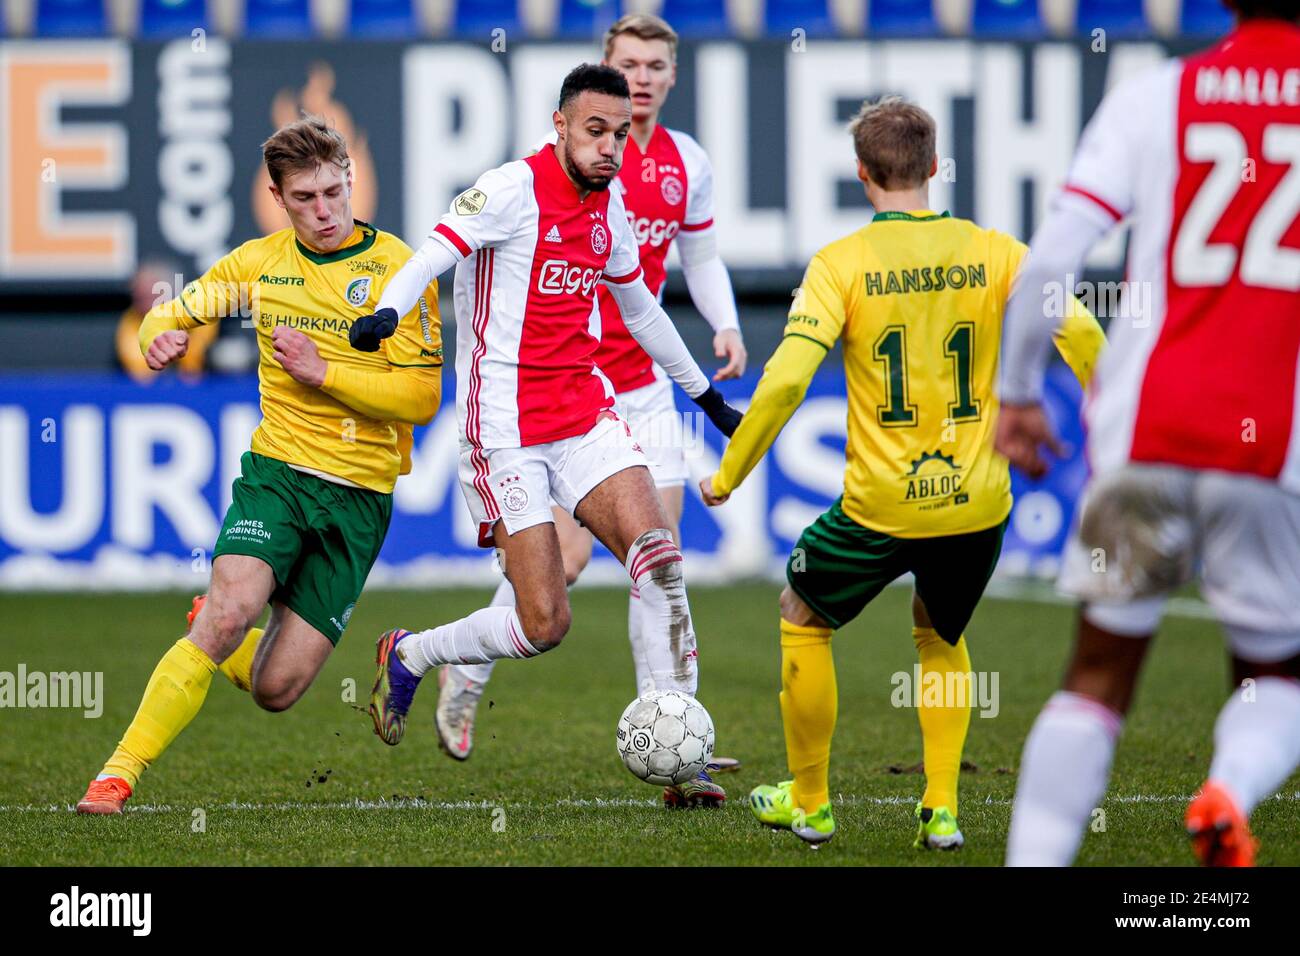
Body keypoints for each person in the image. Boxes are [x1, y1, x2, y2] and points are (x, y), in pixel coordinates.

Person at [699, 97, 1104, 845]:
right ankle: (942, 806)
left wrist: (729, 472)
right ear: (935, 167)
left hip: (880, 506)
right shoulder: (998, 251)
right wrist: (1116, 436)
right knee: (939, 633)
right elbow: (1081, 335)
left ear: (861, 174)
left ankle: (812, 801)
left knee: (801, 615)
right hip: (978, 502)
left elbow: (787, 380)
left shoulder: (841, 264)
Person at [356, 64, 743, 807]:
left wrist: (704, 396)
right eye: (594, 131)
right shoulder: (509, 189)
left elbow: (642, 312)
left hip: (583, 413)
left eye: (621, 134)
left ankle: (681, 755)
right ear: (560, 125)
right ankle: (412, 654)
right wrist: (385, 312)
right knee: (544, 622)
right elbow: (433, 253)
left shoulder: (612, 210)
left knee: (659, 555)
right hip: (502, 430)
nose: (610, 148)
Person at [999, 0, 1300, 867]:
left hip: (1145, 434)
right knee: (1274, 678)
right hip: (1271, 449)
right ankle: (1229, 792)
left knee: (1095, 677)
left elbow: (1053, 258)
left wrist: (1019, 393)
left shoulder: (1156, 95)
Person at [75, 116, 442, 814]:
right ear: (277, 196)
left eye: (334, 191)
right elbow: (172, 310)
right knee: (227, 614)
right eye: (304, 198)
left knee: (277, 690)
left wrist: (324, 370)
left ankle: (220, 627)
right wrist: (160, 334)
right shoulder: (261, 263)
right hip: (278, 476)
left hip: (360, 499)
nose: (325, 210)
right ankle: (116, 775)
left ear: (352, 180)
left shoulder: (401, 266)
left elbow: (421, 398)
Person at [115, 260, 218, 382]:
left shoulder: (196, 309)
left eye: (150, 297)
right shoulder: (131, 321)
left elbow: (197, 358)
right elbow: (142, 373)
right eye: (139, 299)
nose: (144, 305)